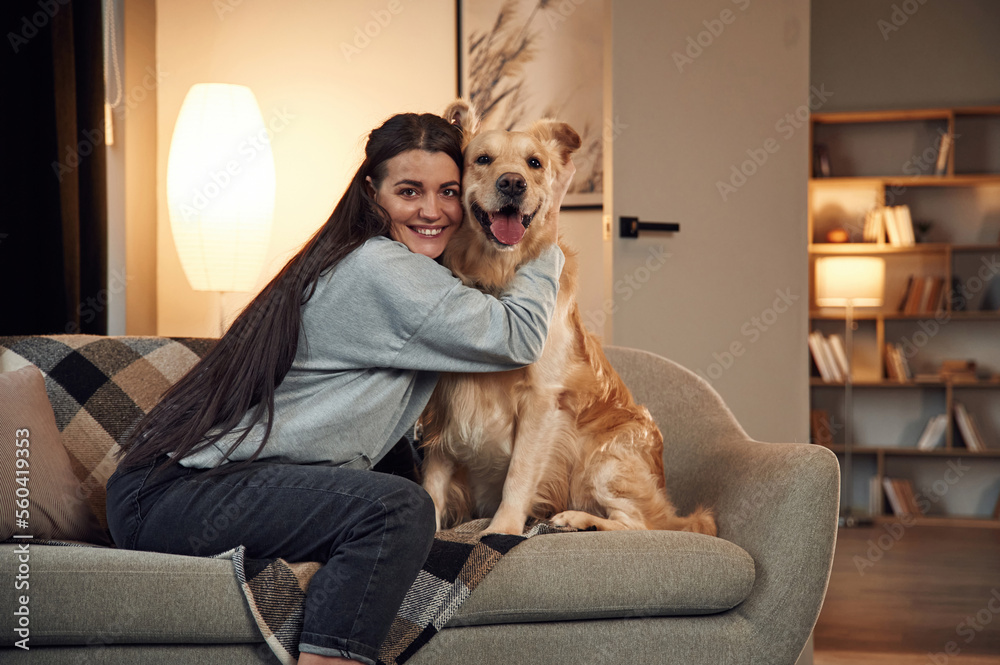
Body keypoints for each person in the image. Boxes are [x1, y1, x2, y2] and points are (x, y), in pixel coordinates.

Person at [106, 111, 573, 665]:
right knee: (399, 509)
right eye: (409, 191)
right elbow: (519, 336)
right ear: (372, 194)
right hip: (173, 495)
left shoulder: (363, 255)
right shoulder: (383, 269)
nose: (432, 210)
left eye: (448, 191)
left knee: (400, 485)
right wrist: (546, 234)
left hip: (171, 491)